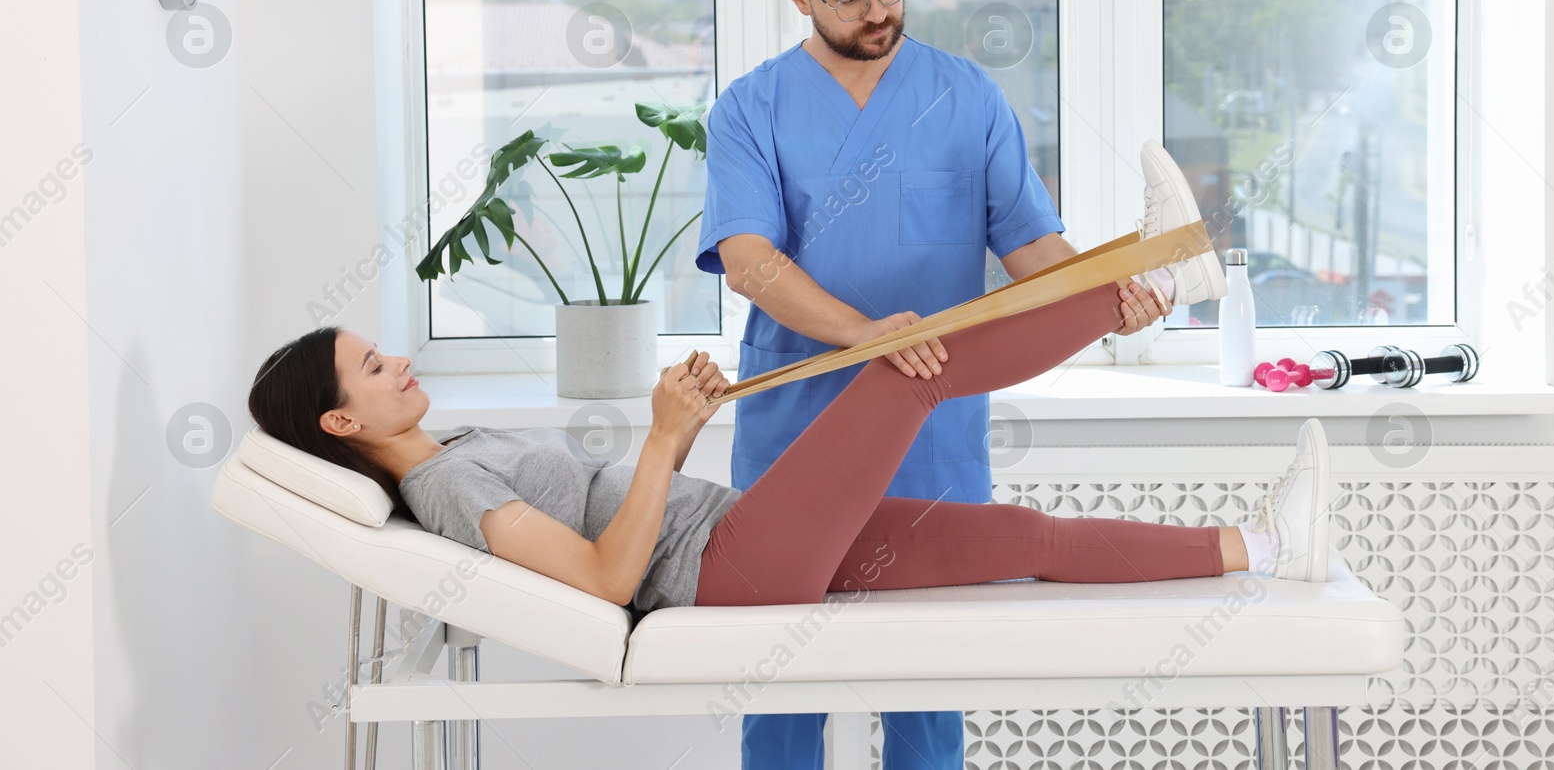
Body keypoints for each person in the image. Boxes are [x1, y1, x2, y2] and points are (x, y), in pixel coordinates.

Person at [691, 0, 1229, 768]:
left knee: (928, 686)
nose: (881, 10)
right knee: (782, 686)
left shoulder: (963, 94)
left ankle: (1155, 271)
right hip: (797, 434)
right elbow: (749, 260)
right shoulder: (751, 110)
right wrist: (866, 334)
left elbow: (1031, 251)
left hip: (934, 435)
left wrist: (1108, 296)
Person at [246, 245, 1332, 631]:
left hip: (745, 543)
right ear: (342, 420)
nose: (398, 361)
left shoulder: (453, 443)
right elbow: (600, 576)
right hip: (732, 566)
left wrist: (684, 426)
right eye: (374, 365)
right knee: (915, 366)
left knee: (1013, 532)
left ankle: (1264, 546)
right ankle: (1155, 287)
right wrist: (669, 436)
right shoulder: (444, 485)